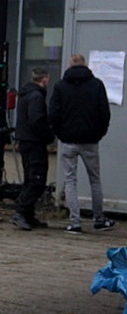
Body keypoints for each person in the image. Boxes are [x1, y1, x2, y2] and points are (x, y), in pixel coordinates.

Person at [49, 54, 115, 235]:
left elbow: (53, 114)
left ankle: (75, 222)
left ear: (70, 66)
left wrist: (60, 134)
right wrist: (99, 134)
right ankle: (99, 220)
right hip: (90, 141)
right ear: (86, 65)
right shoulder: (97, 85)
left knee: (70, 180)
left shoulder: (61, 86)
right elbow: (104, 113)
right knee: (95, 179)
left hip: (69, 141)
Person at [11, 67, 55, 231]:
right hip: (34, 142)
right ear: (44, 79)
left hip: (25, 141)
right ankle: (21, 211)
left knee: (31, 178)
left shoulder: (25, 95)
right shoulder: (36, 97)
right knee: (37, 179)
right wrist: (48, 135)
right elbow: (36, 120)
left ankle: (28, 215)